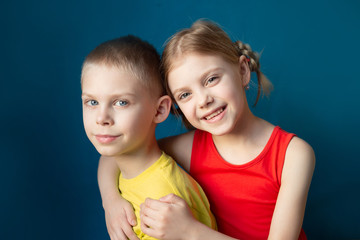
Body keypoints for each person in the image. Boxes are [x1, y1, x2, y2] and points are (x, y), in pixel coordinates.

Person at [98, 20, 315, 240]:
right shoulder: (191, 148)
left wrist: (190, 231)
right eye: (185, 95)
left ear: (242, 71)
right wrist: (111, 202)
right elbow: (120, 152)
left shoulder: (293, 155)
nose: (203, 100)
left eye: (211, 79)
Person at [81, 35, 216, 240]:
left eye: (121, 102)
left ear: (159, 110)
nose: (102, 118)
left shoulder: (162, 200)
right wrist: (110, 200)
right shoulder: (125, 158)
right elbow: (107, 159)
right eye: (92, 102)